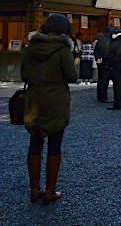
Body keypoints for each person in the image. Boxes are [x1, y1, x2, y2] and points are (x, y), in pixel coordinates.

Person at [21, 13, 77, 204]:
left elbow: (23, 75)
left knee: (34, 144)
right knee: (54, 145)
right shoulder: (62, 51)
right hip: (55, 103)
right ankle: (50, 190)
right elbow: (72, 76)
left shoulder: (30, 49)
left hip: (34, 102)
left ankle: (34, 189)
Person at [94, 26, 114, 103]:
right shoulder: (111, 40)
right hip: (108, 63)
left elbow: (96, 51)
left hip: (101, 63)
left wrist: (98, 60)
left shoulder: (100, 40)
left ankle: (100, 96)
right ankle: (104, 97)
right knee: (105, 81)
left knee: (100, 80)